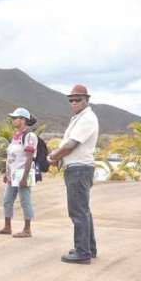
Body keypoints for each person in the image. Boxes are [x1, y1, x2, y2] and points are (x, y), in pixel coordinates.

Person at [48, 85, 99, 265]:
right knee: (83, 210)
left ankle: (82, 252)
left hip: (79, 169)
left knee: (78, 211)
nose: (74, 102)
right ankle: (88, 248)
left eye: (78, 99)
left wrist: (53, 156)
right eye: (71, 100)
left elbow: (71, 145)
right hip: (77, 168)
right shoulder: (80, 118)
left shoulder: (87, 118)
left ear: (87, 99)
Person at [0, 107, 37, 238]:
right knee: (7, 200)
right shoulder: (16, 135)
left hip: (23, 173)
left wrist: (24, 177)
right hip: (12, 174)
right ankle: (7, 227)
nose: (12, 120)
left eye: (15, 118)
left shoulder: (29, 136)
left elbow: (29, 157)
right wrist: (6, 173)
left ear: (23, 120)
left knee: (25, 201)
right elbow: (12, 156)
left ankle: (27, 229)